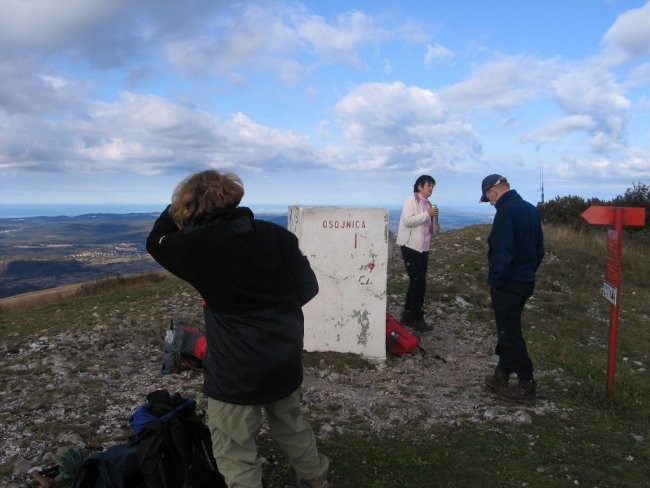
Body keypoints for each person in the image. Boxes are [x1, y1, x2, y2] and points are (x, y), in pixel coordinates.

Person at [146, 170, 330, 488]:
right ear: (233, 198)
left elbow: (156, 241)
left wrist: (175, 206)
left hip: (235, 370)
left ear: (190, 206)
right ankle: (316, 480)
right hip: (283, 356)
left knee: (234, 447)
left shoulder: (194, 246)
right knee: (291, 424)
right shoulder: (278, 236)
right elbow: (308, 289)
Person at [480, 174, 544, 405]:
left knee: (510, 333)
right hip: (525, 281)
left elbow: (502, 252)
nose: (490, 203)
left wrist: (496, 282)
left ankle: (526, 383)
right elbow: (539, 251)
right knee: (508, 329)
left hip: (508, 284)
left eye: (488, 198)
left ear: (493, 192)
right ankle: (501, 375)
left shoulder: (506, 212)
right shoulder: (529, 209)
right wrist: (527, 273)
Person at [395, 175, 440, 332]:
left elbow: (425, 226)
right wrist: (428, 214)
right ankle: (417, 318)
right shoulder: (412, 201)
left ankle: (408, 315)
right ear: (419, 186)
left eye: (432, 186)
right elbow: (408, 221)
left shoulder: (428, 204)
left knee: (416, 281)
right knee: (419, 281)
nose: (431, 188)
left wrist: (434, 227)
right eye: (429, 185)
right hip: (411, 246)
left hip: (423, 247)